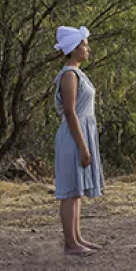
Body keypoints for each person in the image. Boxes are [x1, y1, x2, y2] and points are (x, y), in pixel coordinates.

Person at [53, 25, 104, 255]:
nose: (87, 49)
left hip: (82, 132)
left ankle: (77, 237)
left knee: (77, 190)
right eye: (84, 45)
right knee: (70, 191)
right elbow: (70, 111)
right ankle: (70, 243)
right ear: (74, 49)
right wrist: (82, 146)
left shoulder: (78, 73)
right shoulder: (69, 75)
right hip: (74, 135)